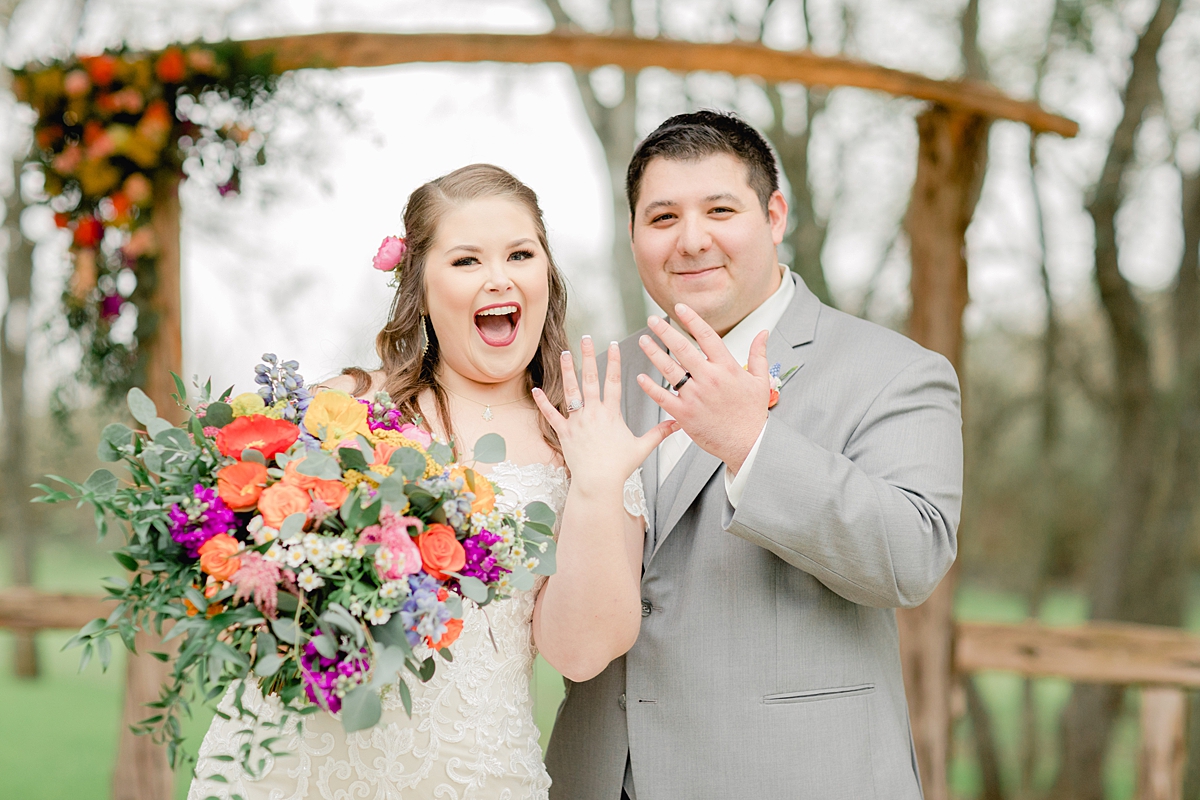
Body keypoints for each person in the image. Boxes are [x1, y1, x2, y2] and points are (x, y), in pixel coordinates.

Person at [188, 164, 675, 800]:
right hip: (294, 766)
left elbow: (580, 654)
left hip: (469, 773)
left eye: (520, 254)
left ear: (546, 277)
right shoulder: (345, 410)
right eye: (467, 260)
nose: (499, 277)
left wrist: (596, 485)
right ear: (419, 284)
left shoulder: (585, 439)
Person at [545, 111, 963, 799]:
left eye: (719, 209)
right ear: (633, 236)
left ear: (773, 215)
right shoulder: (600, 379)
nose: (692, 239)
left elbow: (913, 560)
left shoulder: (893, 370)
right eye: (662, 218)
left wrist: (752, 446)